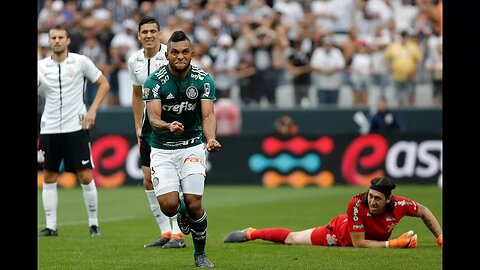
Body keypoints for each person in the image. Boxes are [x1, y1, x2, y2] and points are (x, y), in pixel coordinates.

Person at [143, 30, 221, 268]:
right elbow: (153, 118)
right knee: (168, 207)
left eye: (185, 52)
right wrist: (168, 125)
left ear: (192, 53)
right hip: (162, 148)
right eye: (174, 52)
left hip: (192, 146)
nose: (180, 56)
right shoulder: (154, 81)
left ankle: (200, 254)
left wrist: (211, 138)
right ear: (166, 55)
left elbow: (208, 114)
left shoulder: (203, 79)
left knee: (195, 201)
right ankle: (181, 211)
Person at [224, 177, 442, 249]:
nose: (372, 201)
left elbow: (424, 211)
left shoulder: (401, 205)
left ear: (388, 199)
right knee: (291, 239)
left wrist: (440, 237)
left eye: (377, 198)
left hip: (360, 238)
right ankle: (253, 233)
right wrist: (394, 244)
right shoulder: (357, 204)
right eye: (370, 195)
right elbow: (359, 244)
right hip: (338, 234)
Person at [37, 24, 110, 237]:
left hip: (75, 127)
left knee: (85, 176)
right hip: (49, 127)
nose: (57, 41)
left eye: (61, 37)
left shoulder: (80, 62)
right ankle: (51, 226)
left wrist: (93, 110)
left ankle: (94, 223)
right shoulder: (41, 67)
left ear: (68, 40)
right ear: (49, 41)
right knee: (49, 176)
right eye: (53, 38)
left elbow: (103, 83)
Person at [127, 16, 186, 249]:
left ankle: (179, 233)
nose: (149, 35)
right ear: (139, 36)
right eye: (145, 32)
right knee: (148, 180)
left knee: (174, 180)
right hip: (148, 128)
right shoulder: (134, 61)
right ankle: (165, 232)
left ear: (160, 34)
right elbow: (135, 94)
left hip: (172, 126)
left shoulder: (171, 56)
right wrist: (137, 126)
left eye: (153, 31)